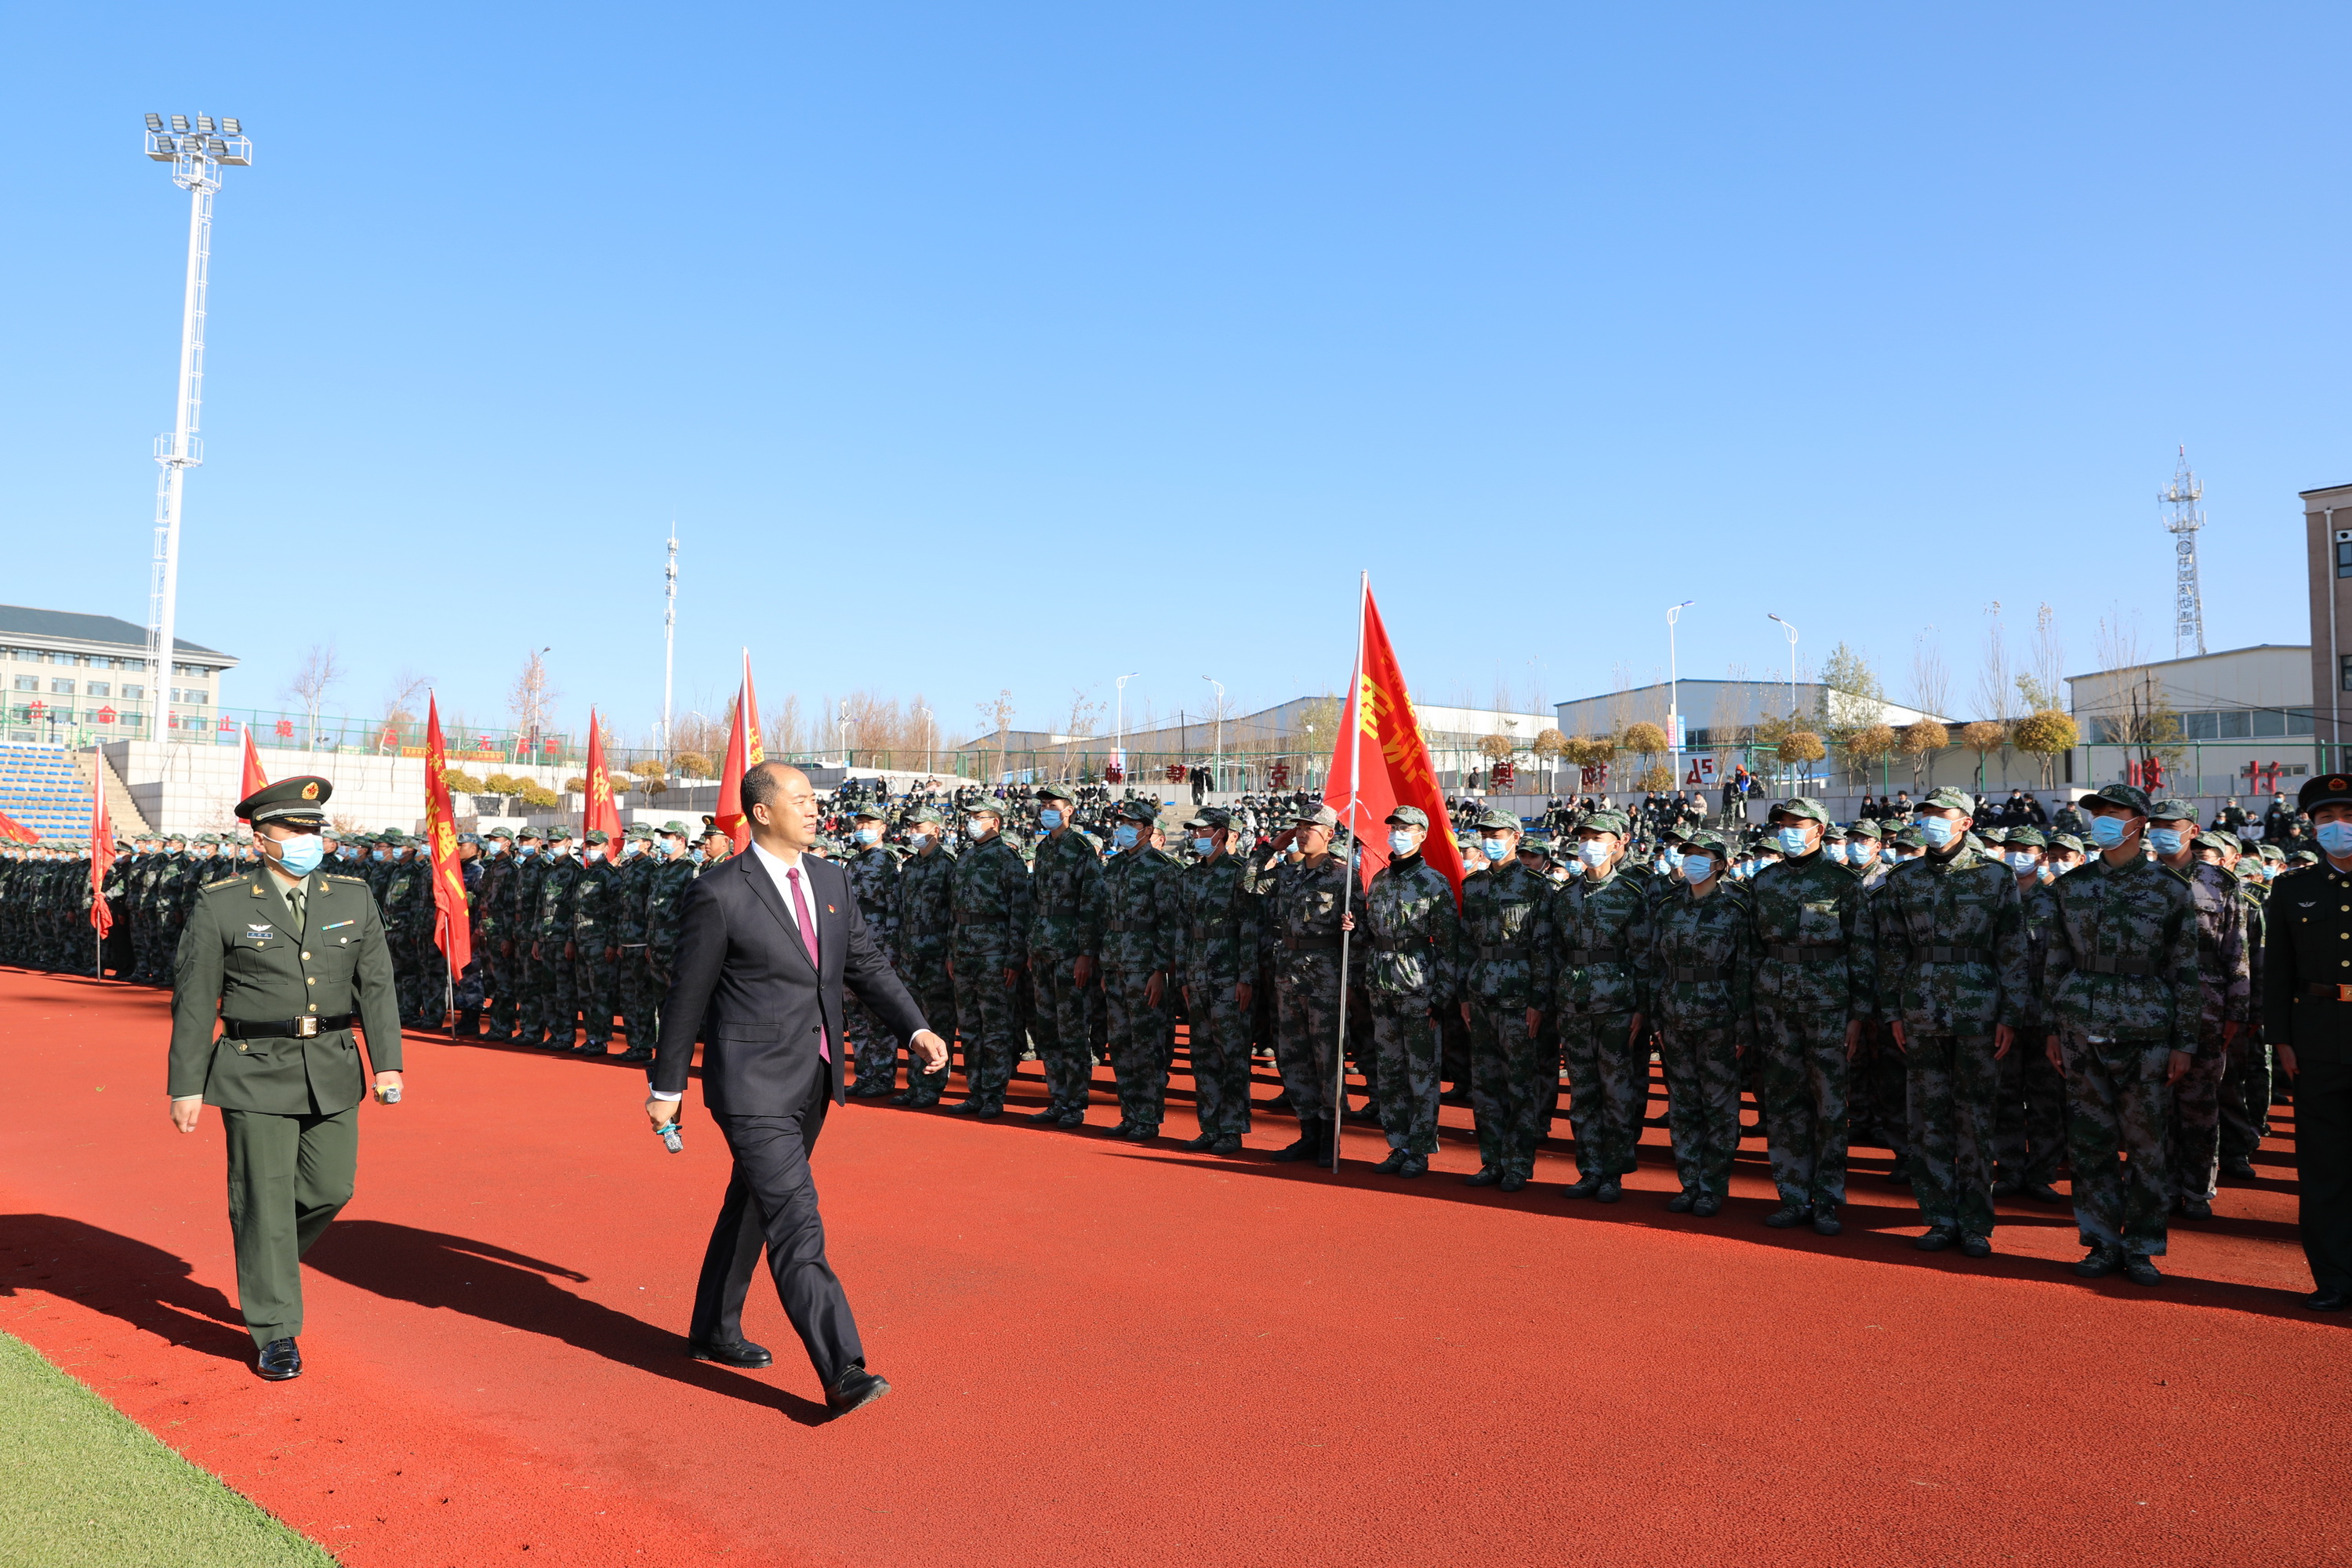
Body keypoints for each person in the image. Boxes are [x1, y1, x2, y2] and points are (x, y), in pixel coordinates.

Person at [648, 762, 948, 1416]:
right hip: (750, 1083)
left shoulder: (831, 879)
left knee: (753, 1202)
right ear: (761, 812)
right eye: (802, 800)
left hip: (813, 1076)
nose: (815, 811)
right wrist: (667, 1084)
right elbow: (686, 997)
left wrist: (915, 1027)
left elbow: (863, 964)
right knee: (794, 1217)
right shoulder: (720, 891)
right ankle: (842, 1368)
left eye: (817, 801)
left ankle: (714, 1327)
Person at [166, 775, 403, 1381]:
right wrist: (185, 1084)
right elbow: (195, 999)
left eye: (314, 829)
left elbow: (375, 985)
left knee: (330, 1187)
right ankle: (276, 1331)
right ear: (260, 836)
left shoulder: (352, 896)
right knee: (264, 1195)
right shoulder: (222, 902)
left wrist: (389, 1063)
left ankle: (264, 1258)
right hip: (253, 1068)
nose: (307, 839)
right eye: (294, 830)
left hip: (331, 1062)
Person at [2041, 784, 2201, 1286]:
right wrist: (2051, 1026)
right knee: (2090, 1141)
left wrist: (2185, 1042)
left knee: (2146, 1141)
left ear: (2140, 822)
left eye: (2115, 813)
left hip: (2145, 1028)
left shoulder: (2170, 889)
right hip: (2080, 1026)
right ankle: (2101, 1243)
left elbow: (2186, 971)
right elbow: (2055, 961)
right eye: (2098, 813)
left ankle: (2144, 1246)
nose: (2104, 821)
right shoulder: (2070, 887)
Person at [1865, 788, 2029, 1258]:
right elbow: (1892, 950)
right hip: (1920, 1010)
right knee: (1927, 1118)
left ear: (1965, 823)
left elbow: (2012, 949)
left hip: (1979, 1011)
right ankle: (1938, 1217)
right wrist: (1893, 1011)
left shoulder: (1995, 876)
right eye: (1927, 814)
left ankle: (1975, 1221)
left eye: (1942, 815)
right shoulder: (1905, 878)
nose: (1931, 821)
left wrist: (2011, 1015)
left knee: (1975, 1118)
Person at [1747, 797, 1875, 1236]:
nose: (1788, 831)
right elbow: (1752, 950)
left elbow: (1861, 950)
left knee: (1829, 1105)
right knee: (1783, 1104)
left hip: (1828, 1007)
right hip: (1776, 1006)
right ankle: (1793, 1195)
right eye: (1782, 824)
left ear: (1819, 830)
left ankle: (1828, 1200)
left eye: (1797, 824)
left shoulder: (1843, 883)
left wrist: (1858, 1014)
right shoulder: (1763, 882)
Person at [2260, 770, 2352, 1311]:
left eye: (2347, 817)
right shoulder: (2293, 889)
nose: (2338, 827)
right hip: (2317, 1041)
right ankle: (2335, 1278)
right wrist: (2281, 1039)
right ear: (2311, 828)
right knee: (2324, 1168)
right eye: (2326, 819)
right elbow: (2278, 972)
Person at [2145, 799, 2250, 1221]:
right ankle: (2164, 1186)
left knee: (2201, 1102)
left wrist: (2236, 1011)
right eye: (2156, 825)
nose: (2162, 831)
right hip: (2149, 1000)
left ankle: (2198, 1189)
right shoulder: (2140, 878)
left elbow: (2236, 950)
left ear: (2193, 830)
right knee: (2153, 1101)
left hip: (2207, 1003)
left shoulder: (2219, 882)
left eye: (2172, 825)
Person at [1642, 829, 1753, 1215]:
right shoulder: (1669, 906)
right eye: (1688, 853)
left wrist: (1743, 1025)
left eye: (1702, 855)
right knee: (1683, 1103)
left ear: (1721, 864)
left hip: (1719, 1017)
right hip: (1674, 1015)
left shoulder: (1737, 908)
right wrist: (1656, 1015)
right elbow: (1657, 966)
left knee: (1719, 1105)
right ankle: (1689, 1182)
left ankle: (1713, 1186)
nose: (1692, 860)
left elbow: (1744, 971)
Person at [1545, 808, 1650, 1201]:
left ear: (1618, 844)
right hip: (1573, 1004)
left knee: (1616, 1090)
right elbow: (1555, 952)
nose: (1589, 845)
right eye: (1584, 838)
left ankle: (1614, 1172)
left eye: (1598, 838)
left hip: (1617, 1006)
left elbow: (1643, 957)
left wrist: (1642, 1009)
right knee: (1583, 1091)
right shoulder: (1565, 896)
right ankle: (1589, 1168)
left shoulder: (1631, 895)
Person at [1359, 806, 1461, 1177]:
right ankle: (1398, 1144)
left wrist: (1442, 996)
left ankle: (1419, 1149)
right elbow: (1370, 934)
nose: (1397, 834)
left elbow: (1449, 944)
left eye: (1406, 828)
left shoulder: (1434, 883)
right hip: (1381, 985)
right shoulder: (1381, 880)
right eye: (1394, 828)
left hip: (1419, 986)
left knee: (1421, 1072)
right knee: (1389, 1071)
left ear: (1422, 835)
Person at [1457, 807, 1554, 1192]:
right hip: (1481, 991)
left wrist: (1538, 1001)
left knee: (1520, 1083)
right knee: (1484, 1083)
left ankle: (1517, 1166)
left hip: (1519, 994)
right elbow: (1466, 944)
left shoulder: (1536, 886)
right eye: (1485, 834)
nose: (1489, 841)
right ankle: (1491, 1161)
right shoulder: (1473, 885)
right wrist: (1464, 994)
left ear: (1516, 837)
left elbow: (1544, 950)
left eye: (1497, 834)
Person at [1025, 783, 1105, 1127]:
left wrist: (1086, 953)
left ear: (1069, 810)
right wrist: (1031, 947)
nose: (1046, 810)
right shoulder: (1043, 849)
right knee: (1048, 1030)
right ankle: (1058, 1097)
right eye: (1042, 805)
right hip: (1043, 950)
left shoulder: (1082, 848)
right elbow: (1036, 902)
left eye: (1052, 805)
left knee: (1072, 1029)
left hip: (1071, 951)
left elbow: (1092, 905)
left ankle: (1076, 1102)